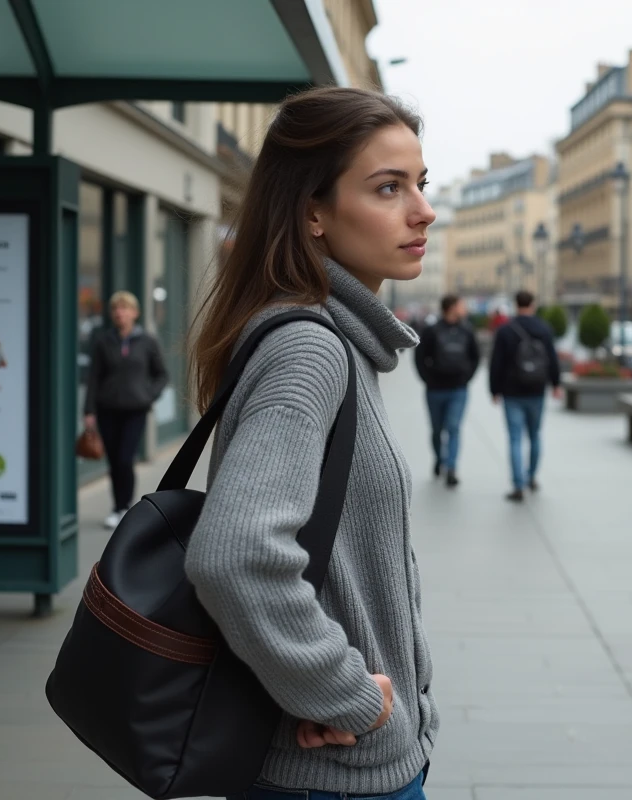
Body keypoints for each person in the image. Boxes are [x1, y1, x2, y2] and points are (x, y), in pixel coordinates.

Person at [184, 87, 438, 800]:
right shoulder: (311, 349)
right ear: (313, 212)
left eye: (421, 184)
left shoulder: (339, 343)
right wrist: (350, 697)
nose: (424, 210)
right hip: (332, 777)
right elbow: (235, 555)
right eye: (388, 188)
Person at [83, 290, 168, 530]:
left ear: (135, 313)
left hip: (135, 411)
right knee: (113, 461)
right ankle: (117, 507)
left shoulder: (147, 341)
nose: (119, 313)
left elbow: (161, 375)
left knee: (124, 458)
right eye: (115, 309)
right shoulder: (103, 341)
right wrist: (88, 411)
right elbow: (93, 378)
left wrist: (148, 395)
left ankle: (125, 507)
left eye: (124, 308)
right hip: (107, 409)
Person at [489, 290, 562, 502]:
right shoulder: (544, 329)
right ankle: (531, 477)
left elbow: (497, 363)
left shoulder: (505, 330)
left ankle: (518, 485)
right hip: (537, 390)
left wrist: (494, 390)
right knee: (535, 435)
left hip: (512, 392)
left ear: (515, 304)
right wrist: (556, 384)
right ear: (533, 304)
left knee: (514, 439)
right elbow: (552, 359)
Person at [415, 293, 479, 486]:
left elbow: (475, 357)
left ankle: (451, 467)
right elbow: (420, 357)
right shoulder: (432, 330)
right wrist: (427, 379)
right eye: (462, 305)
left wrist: (466, 378)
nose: (464, 308)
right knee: (436, 430)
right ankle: (439, 459)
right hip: (435, 389)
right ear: (451, 307)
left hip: (458, 389)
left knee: (453, 427)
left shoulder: (467, 330)